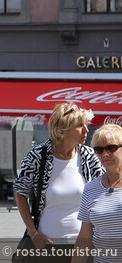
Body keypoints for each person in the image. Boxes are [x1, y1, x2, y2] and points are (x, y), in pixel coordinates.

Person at [12, 102, 102, 262]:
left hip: (82, 245)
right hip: (46, 245)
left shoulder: (88, 156)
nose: (86, 130)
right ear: (63, 129)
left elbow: (102, 193)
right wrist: (33, 233)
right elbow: (20, 193)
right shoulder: (38, 156)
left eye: (86, 124)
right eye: (80, 125)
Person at [73, 123, 122, 263]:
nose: (105, 154)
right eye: (99, 150)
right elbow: (84, 238)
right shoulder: (90, 188)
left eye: (111, 148)